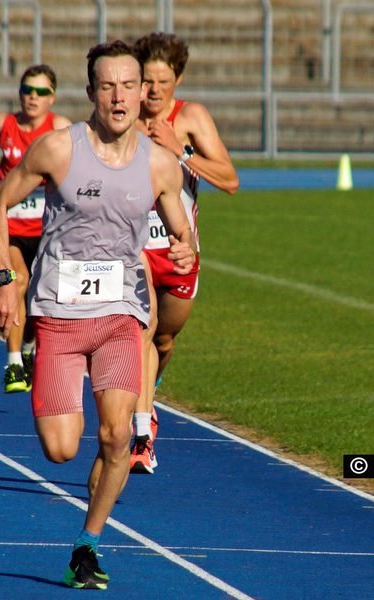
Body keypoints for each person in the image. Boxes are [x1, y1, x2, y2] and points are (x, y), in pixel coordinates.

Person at [0, 41, 196, 589]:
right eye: (108, 86)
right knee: (60, 450)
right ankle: (87, 502)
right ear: (91, 93)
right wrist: (6, 278)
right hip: (57, 314)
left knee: (117, 438)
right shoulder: (58, 149)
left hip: (122, 314)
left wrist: (184, 249)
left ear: (142, 93)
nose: (121, 96)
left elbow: (181, 232)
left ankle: (88, 543)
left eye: (130, 85)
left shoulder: (159, 163)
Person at [129, 32, 239, 474]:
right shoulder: (122, 115)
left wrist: (182, 149)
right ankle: (142, 431)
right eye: (147, 81)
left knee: (165, 339)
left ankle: (149, 391)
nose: (153, 91)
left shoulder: (191, 117)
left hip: (180, 254)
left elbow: (230, 180)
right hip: (135, 249)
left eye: (162, 81)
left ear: (178, 79)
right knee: (143, 329)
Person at [0, 64, 71, 393]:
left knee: (40, 297)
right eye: (27, 90)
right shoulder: (6, 123)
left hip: (46, 230)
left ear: (52, 98)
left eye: (41, 92)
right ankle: (14, 364)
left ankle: (28, 349)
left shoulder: (60, 128)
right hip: (11, 224)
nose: (33, 97)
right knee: (18, 281)